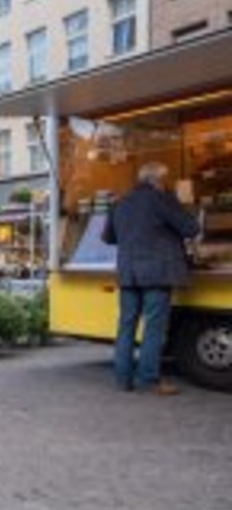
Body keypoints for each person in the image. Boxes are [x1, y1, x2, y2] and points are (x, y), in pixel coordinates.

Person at [102, 161, 200, 395]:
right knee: (154, 327)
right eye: (164, 180)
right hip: (157, 271)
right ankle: (149, 378)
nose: (164, 184)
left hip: (128, 272)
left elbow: (108, 237)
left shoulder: (120, 203)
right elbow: (191, 228)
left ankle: (123, 378)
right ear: (157, 180)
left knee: (126, 325)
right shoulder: (161, 199)